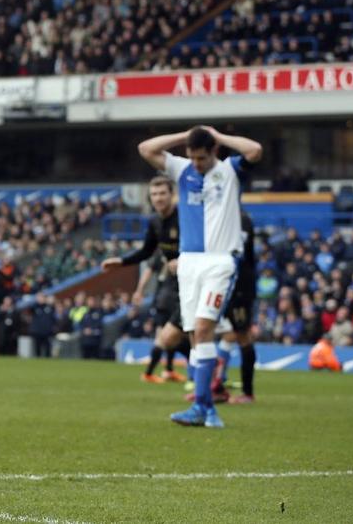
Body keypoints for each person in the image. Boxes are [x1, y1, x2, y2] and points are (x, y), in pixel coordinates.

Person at [139, 125, 262, 428]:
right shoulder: (182, 169)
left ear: (214, 152)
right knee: (195, 335)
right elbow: (146, 149)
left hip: (220, 262)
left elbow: (254, 150)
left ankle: (202, 406)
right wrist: (186, 136)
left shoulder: (230, 171)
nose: (196, 163)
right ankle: (206, 409)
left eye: (202, 157)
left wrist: (216, 135)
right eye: (192, 157)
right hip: (189, 263)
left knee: (205, 327)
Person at [101, 176, 189, 383]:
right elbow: (146, 252)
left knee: (182, 335)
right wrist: (121, 262)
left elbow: (203, 245)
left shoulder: (185, 218)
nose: (158, 198)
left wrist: (184, 261)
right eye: (154, 194)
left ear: (172, 194)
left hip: (193, 282)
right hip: (174, 285)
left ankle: (206, 378)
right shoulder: (155, 222)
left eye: (162, 193)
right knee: (181, 336)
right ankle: (205, 379)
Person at [220, 211, 258, 404]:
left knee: (242, 335)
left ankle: (248, 392)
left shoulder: (241, 219)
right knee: (209, 331)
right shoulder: (216, 215)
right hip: (221, 283)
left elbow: (238, 253)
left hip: (239, 286)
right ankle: (215, 387)